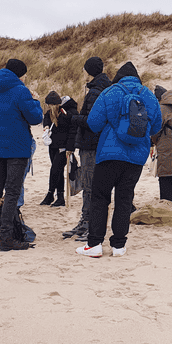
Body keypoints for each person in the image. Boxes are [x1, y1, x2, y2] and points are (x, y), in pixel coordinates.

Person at [77, 62, 162, 258]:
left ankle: (95, 244)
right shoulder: (148, 94)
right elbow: (156, 126)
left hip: (109, 154)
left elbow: (93, 123)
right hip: (136, 158)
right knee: (125, 199)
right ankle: (119, 246)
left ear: (118, 77)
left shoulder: (110, 92)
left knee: (100, 198)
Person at [0, 59, 43, 251]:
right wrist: (35, 101)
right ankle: (5, 237)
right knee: (12, 192)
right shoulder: (20, 90)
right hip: (17, 148)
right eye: (24, 74)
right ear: (20, 74)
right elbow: (36, 118)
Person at [64, 57, 112, 240]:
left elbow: (93, 122)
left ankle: (88, 224)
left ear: (89, 71)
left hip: (91, 145)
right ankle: (86, 222)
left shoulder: (94, 92)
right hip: (97, 144)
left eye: (85, 70)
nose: (83, 73)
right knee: (91, 186)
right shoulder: (104, 89)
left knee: (89, 186)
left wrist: (73, 118)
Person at [40, 91, 78, 207]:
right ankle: (60, 197)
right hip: (53, 146)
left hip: (64, 147)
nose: (48, 107)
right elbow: (46, 117)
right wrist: (46, 126)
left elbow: (73, 131)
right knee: (58, 172)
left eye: (49, 105)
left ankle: (50, 194)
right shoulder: (50, 113)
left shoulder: (68, 113)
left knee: (55, 170)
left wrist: (70, 148)